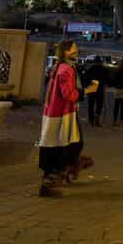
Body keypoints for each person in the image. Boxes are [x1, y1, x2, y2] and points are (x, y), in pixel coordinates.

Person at [38, 40, 96, 197]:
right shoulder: (66, 70)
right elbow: (68, 94)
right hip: (62, 115)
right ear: (66, 52)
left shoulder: (60, 67)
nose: (77, 52)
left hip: (55, 115)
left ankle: (54, 179)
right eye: (74, 50)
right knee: (72, 145)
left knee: (56, 147)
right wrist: (87, 91)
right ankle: (64, 171)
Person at [84, 55, 110, 128]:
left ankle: (91, 120)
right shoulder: (104, 69)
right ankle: (97, 117)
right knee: (99, 104)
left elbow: (86, 78)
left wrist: (87, 85)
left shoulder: (91, 69)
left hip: (92, 88)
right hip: (100, 88)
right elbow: (107, 79)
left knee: (91, 105)